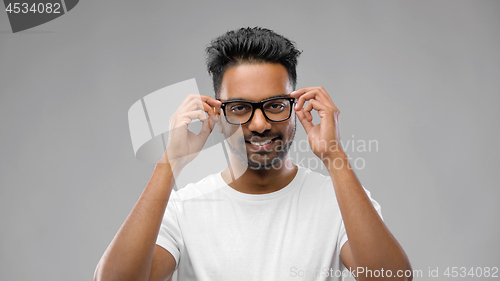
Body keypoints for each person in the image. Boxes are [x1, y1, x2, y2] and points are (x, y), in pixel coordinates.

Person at [94, 27, 412, 281]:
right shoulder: (182, 209)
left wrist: (334, 156)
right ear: (218, 116)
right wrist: (170, 163)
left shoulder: (340, 200)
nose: (259, 124)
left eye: (274, 105)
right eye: (240, 108)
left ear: (297, 107)